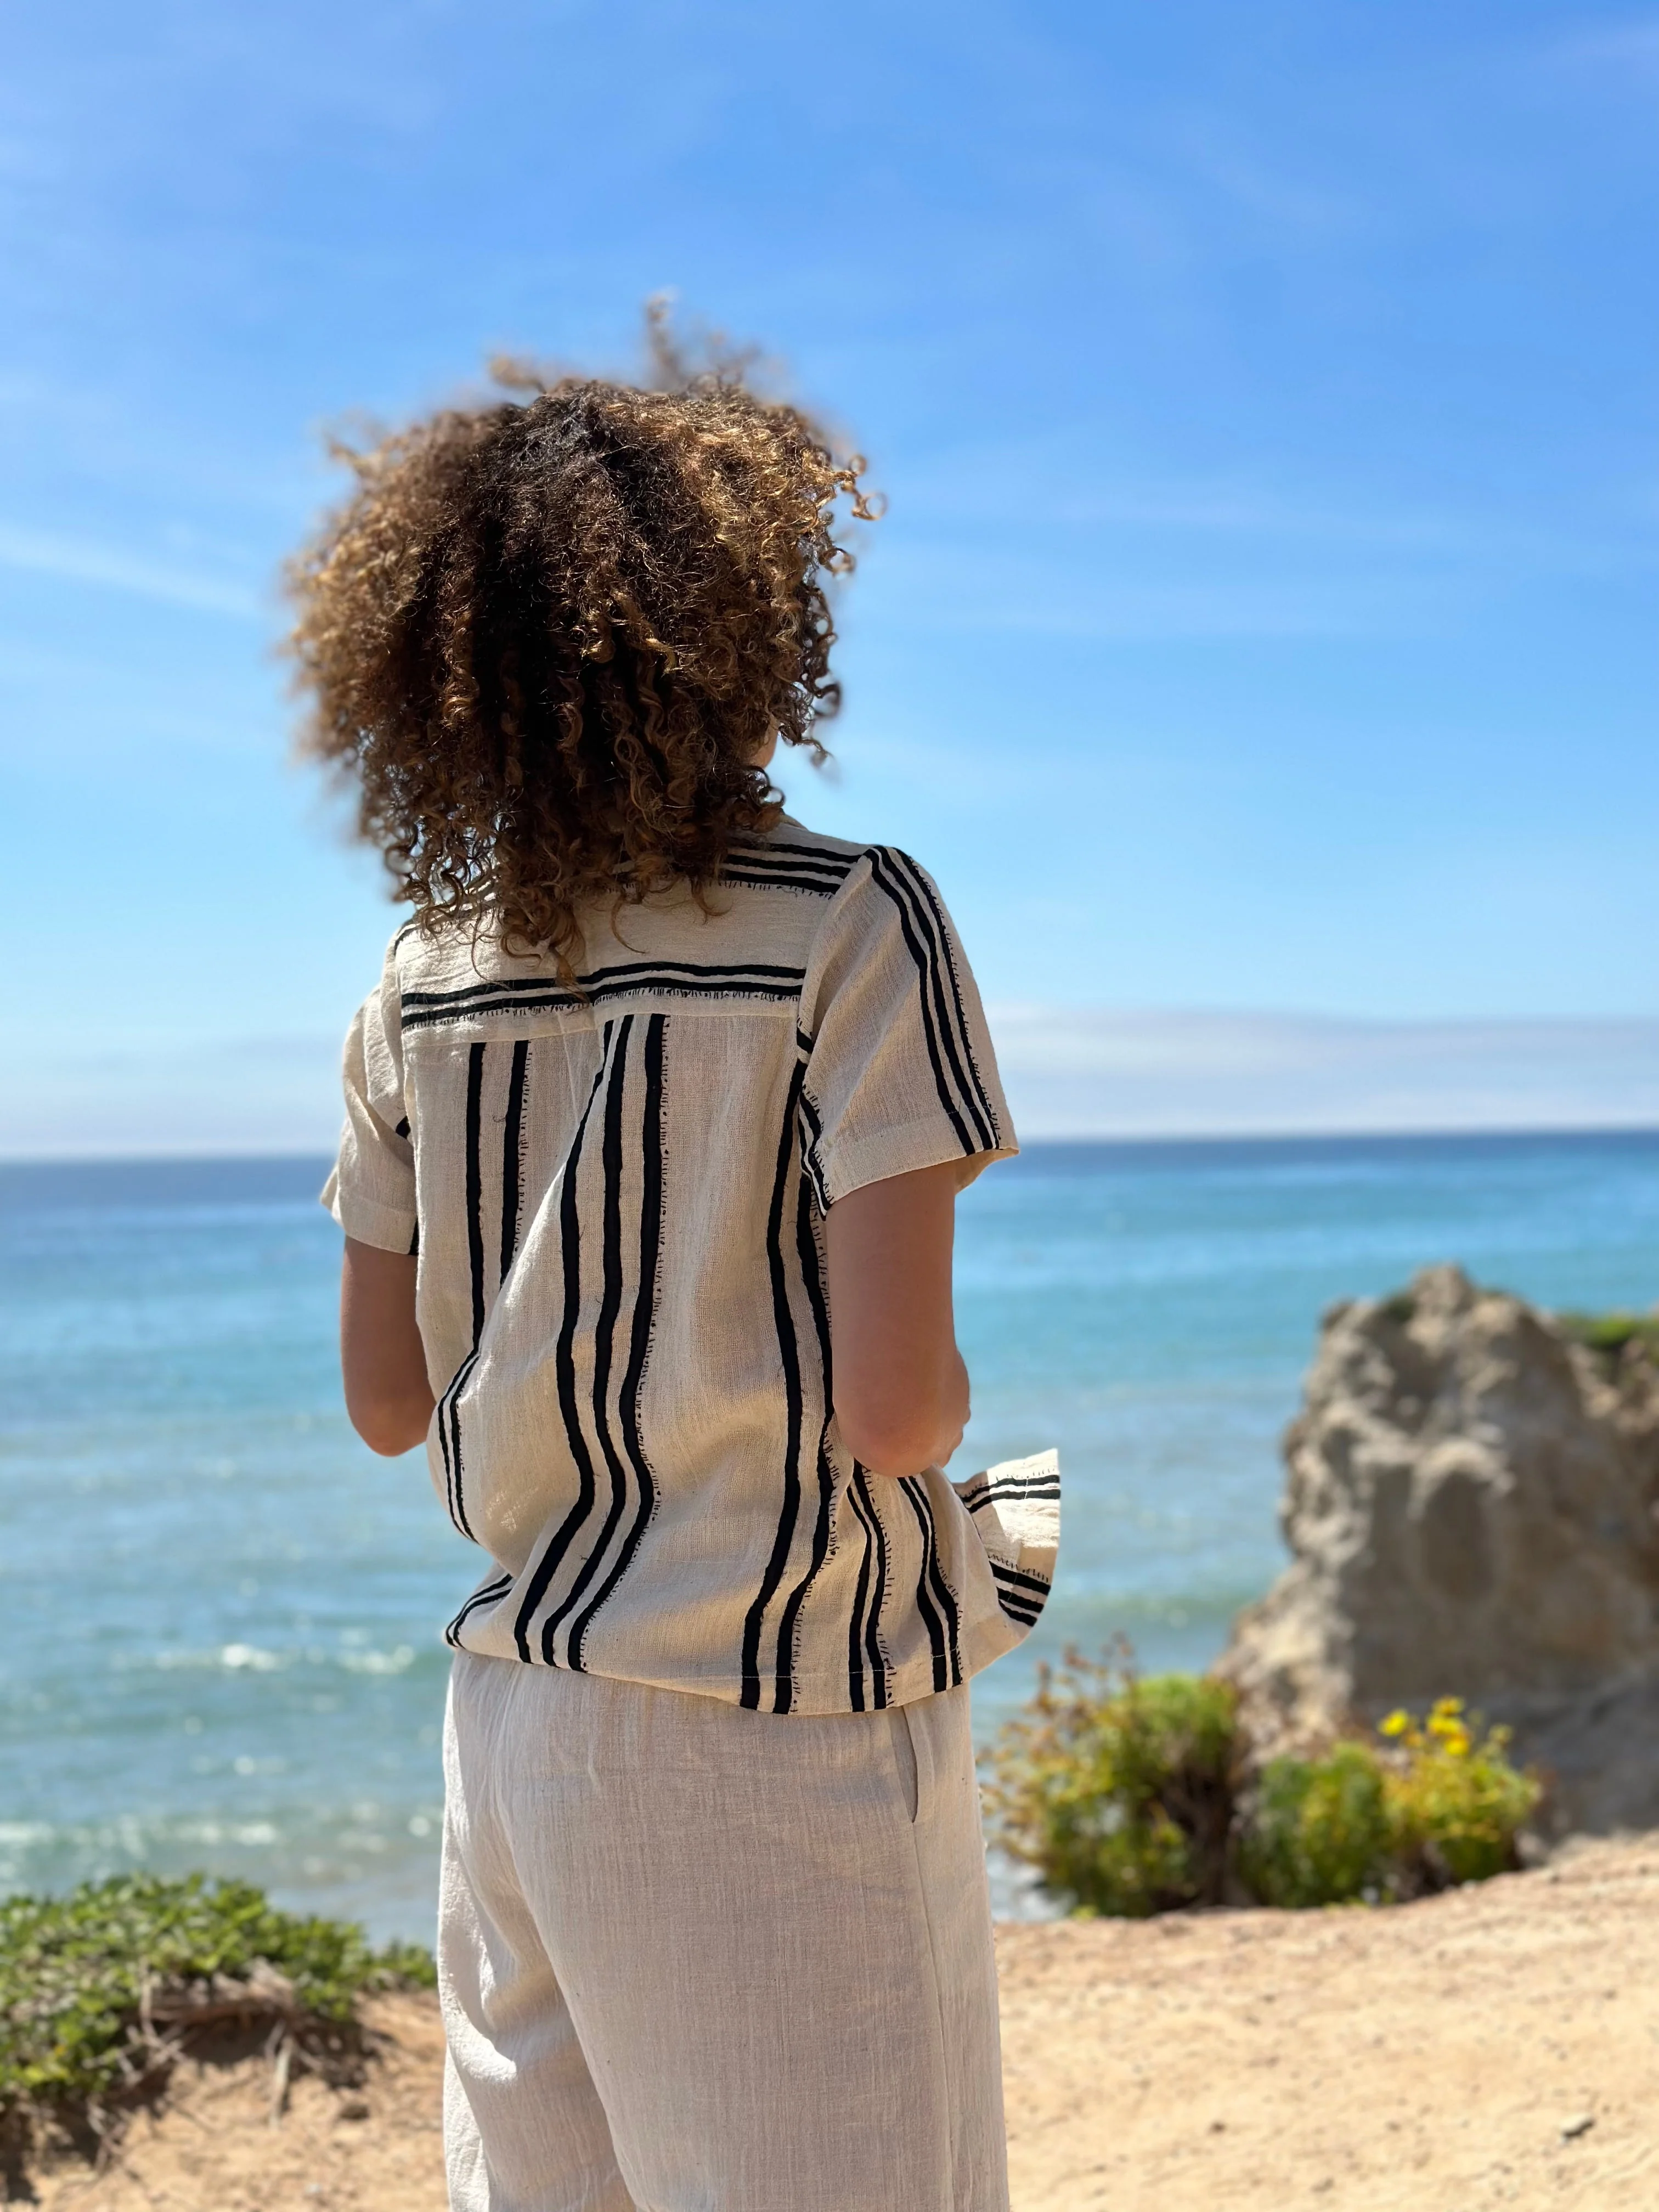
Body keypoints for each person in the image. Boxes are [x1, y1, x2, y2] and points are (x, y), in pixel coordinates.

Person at [289, 312, 1059, 2212]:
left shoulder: (421, 975)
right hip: (771, 1732)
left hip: (519, 1725)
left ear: (453, 679)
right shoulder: (850, 922)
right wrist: (999, 1493)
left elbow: (392, 1409)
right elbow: (896, 1413)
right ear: (746, 630)